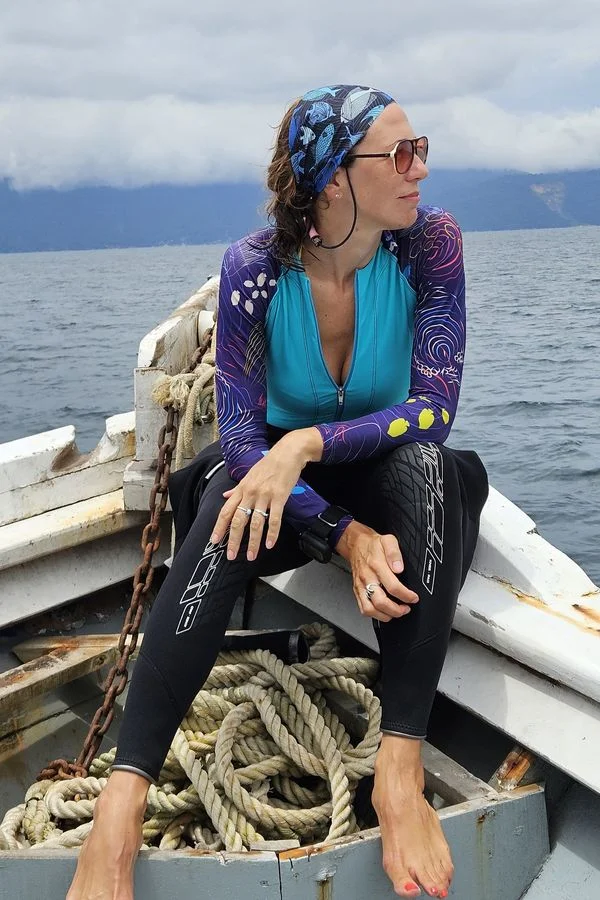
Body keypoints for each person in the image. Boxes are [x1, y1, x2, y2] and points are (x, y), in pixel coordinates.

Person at [67, 84, 488, 900]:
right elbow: (240, 440)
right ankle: (121, 804)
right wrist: (344, 536)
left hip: (383, 471)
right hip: (286, 501)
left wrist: (307, 443)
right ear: (334, 179)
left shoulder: (430, 246)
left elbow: (432, 411)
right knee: (233, 495)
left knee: (434, 473)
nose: (421, 170)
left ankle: (398, 767)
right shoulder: (255, 271)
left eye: (422, 149)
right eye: (401, 154)